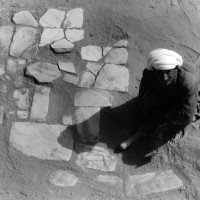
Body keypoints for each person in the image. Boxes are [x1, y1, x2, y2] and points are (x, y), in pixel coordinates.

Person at [120, 48, 199, 150]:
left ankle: (158, 127)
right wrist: (148, 114)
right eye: (160, 73)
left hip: (180, 100)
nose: (164, 77)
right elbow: (142, 95)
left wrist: (165, 120)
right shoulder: (149, 74)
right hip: (164, 94)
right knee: (148, 99)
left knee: (177, 120)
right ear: (154, 70)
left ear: (176, 69)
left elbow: (186, 117)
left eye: (168, 72)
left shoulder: (188, 82)